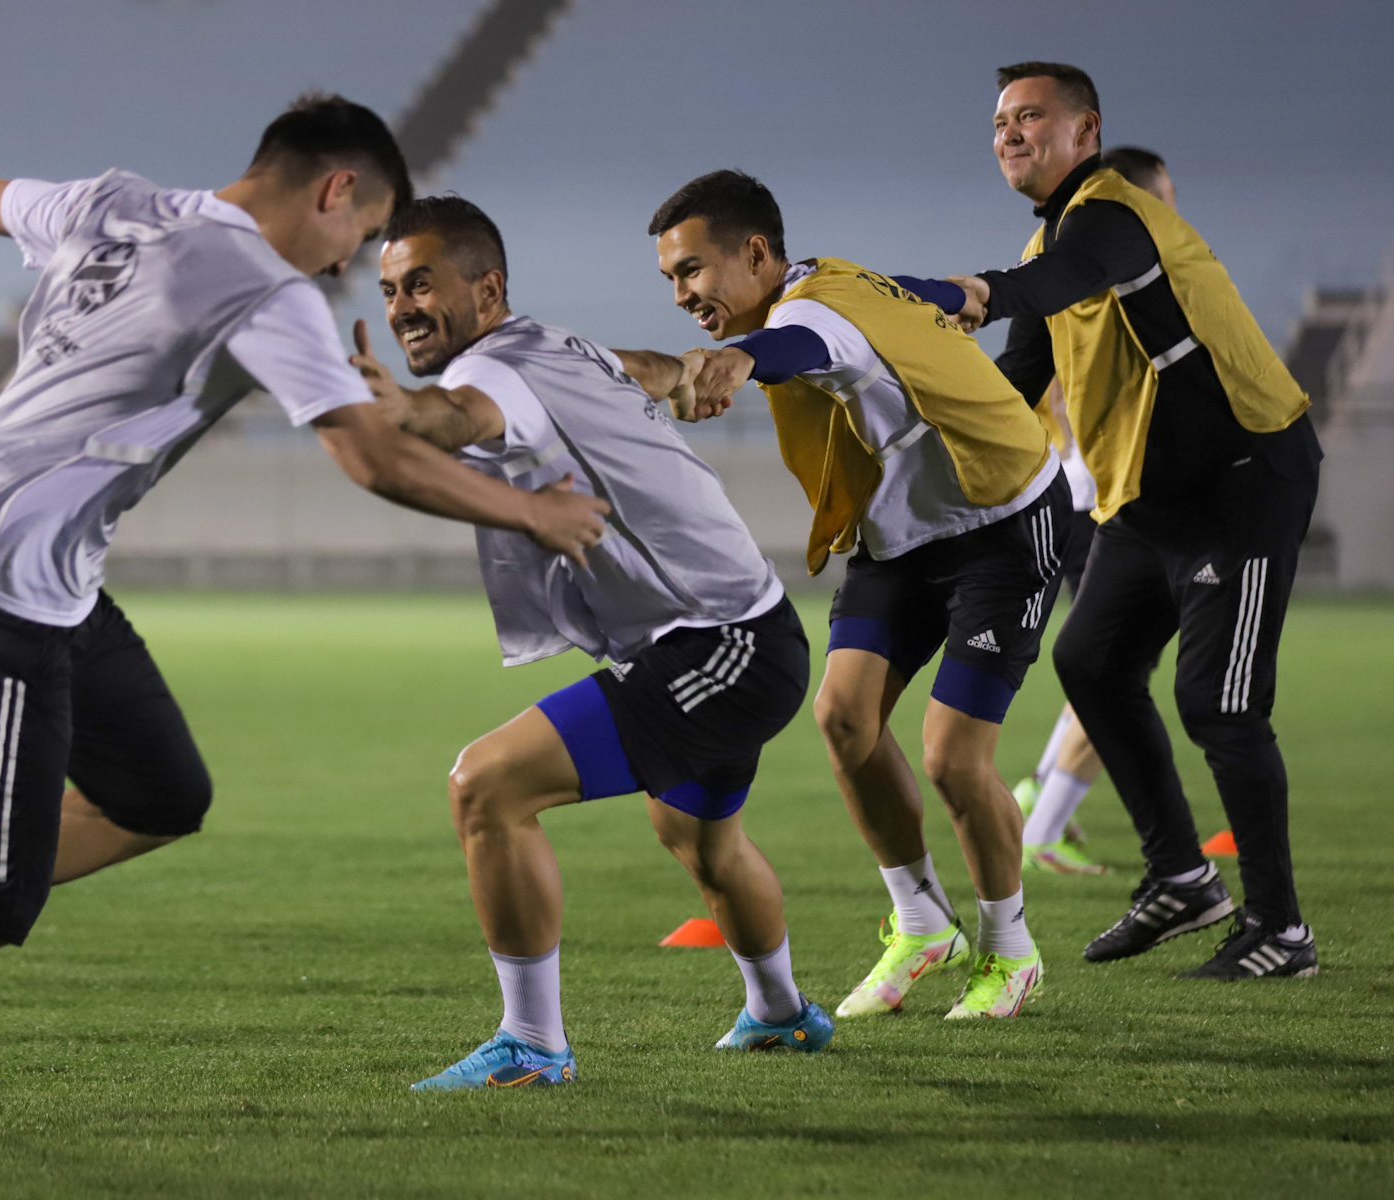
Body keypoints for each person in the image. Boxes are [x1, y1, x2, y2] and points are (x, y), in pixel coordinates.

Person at [0, 96, 612, 1102]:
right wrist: (534, 515)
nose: (349, 264)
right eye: (364, 232)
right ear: (337, 188)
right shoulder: (268, 292)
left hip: (50, 584)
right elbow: (372, 459)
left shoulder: (113, 203)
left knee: (161, 793)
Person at [355, 195, 832, 1089]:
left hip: (716, 647)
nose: (401, 306)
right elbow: (642, 366)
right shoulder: (554, 345)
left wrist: (408, 415)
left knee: (485, 786)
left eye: (421, 283)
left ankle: (533, 1045)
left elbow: (460, 416)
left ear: (486, 287)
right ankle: (781, 1014)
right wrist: (684, 378)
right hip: (744, 636)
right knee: (698, 836)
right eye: (388, 290)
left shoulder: (497, 372)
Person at [650, 171, 1069, 1019]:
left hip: (1003, 523)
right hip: (900, 537)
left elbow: (798, 348)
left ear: (758, 254)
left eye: (692, 269)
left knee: (954, 755)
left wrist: (735, 360)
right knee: (843, 717)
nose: (682, 292)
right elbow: (909, 302)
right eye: (670, 279)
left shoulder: (807, 314)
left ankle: (1009, 949)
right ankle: (921, 923)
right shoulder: (835, 277)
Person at [945, 63, 1321, 980]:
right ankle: (1183, 878)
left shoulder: (1112, 213)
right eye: (999, 121)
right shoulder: (1047, 252)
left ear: (1086, 132)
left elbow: (1067, 278)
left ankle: (1280, 929)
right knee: (1090, 663)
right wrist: (914, 417)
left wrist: (968, 293)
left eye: (1031, 116)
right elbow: (1014, 387)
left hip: (1239, 482)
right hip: (1148, 498)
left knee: (1221, 705)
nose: (1009, 132)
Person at [1014, 144, 1182, 876]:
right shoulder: (1097, 279)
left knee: (1103, 667)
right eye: (1163, 202)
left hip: (1089, 501)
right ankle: (1043, 824)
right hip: (1098, 504)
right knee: (1113, 670)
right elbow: (1049, 381)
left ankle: (1041, 795)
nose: (1174, 218)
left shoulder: (1103, 272)